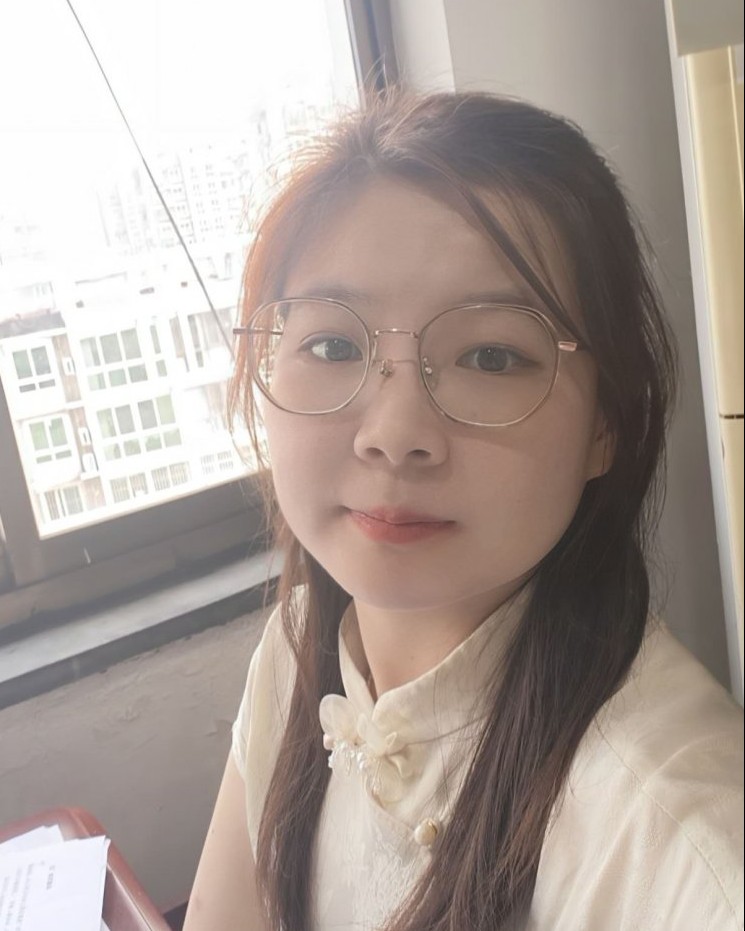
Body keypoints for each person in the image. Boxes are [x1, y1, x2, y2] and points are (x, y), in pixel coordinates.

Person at [183, 91, 743, 931]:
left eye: (490, 356)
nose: (394, 435)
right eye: (331, 344)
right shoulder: (296, 650)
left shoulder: (680, 848)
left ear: (604, 426)